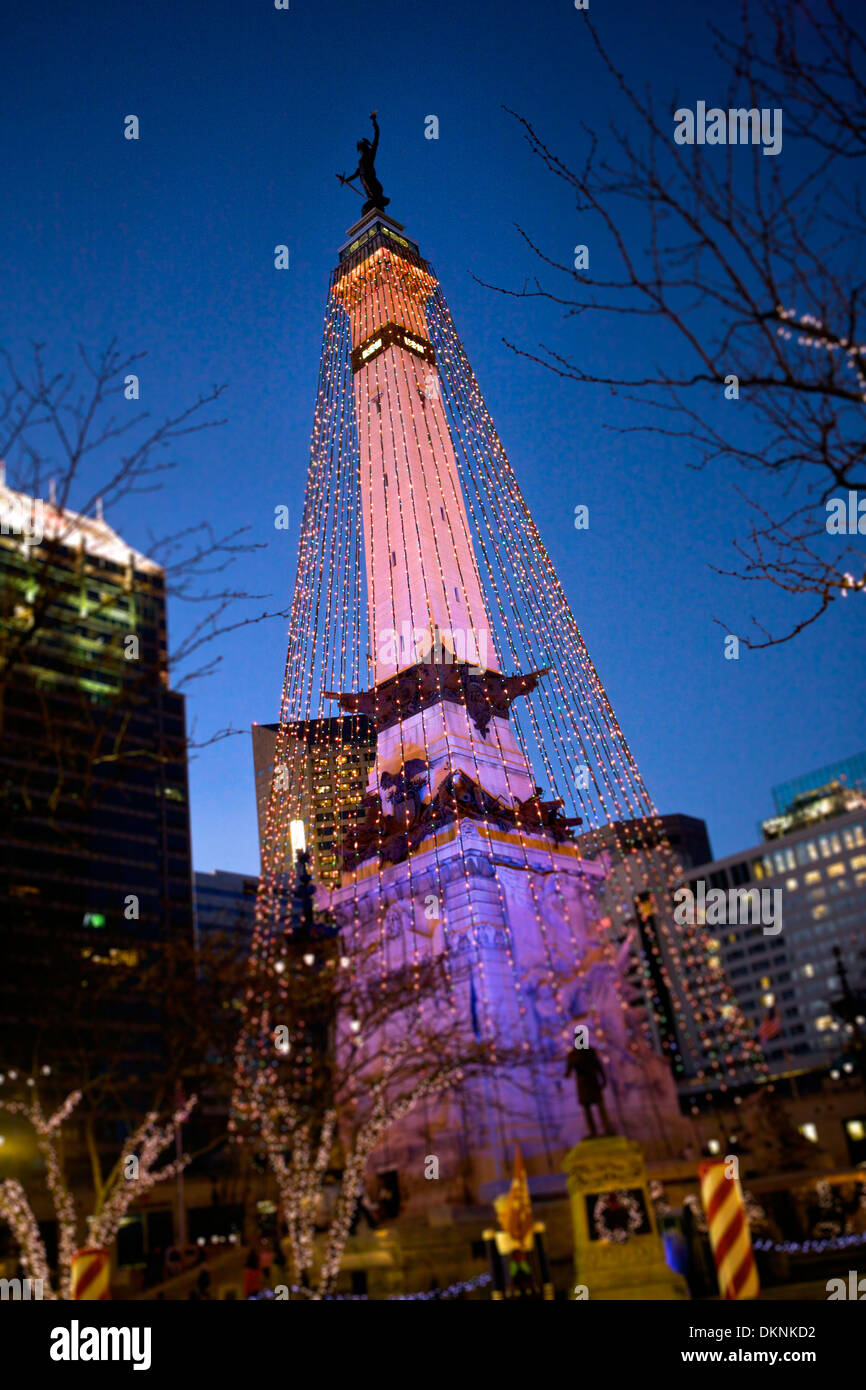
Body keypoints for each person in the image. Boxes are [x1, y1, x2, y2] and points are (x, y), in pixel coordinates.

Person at [339, 112, 390, 214]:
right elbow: (357, 173)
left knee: (375, 199)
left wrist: (374, 122)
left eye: (362, 149)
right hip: (364, 182)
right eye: (360, 150)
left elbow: (376, 138)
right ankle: (373, 210)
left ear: (365, 148)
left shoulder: (370, 155)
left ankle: (378, 207)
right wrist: (345, 180)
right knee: (371, 202)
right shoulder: (360, 161)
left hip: (371, 181)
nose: (361, 151)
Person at [566, 1043, 614, 1137]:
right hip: (584, 1083)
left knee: (599, 1107)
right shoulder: (574, 1054)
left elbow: (598, 1065)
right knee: (588, 1109)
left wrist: (603, 1078)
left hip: (592, 1081)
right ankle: (594, 1131)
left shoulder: (588, 1051)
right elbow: (570, 1068)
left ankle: (606, 1128)